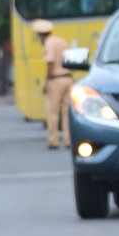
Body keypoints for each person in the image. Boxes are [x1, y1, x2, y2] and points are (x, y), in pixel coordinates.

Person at [35, 17, 71, 149]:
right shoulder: (62, 41)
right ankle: (68, 140)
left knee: (53, 112)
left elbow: (50, 62)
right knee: (67, 112)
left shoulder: (48, 43)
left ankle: (53, 140)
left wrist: (47, 80)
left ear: (41, 34)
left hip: (55, 79)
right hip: (68, 78)